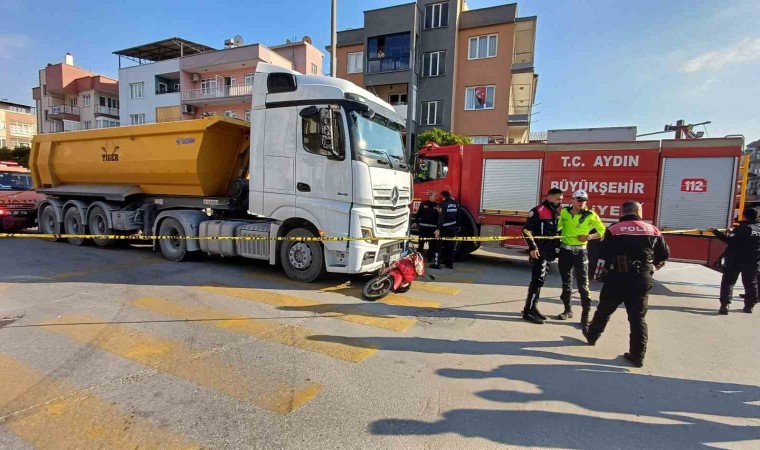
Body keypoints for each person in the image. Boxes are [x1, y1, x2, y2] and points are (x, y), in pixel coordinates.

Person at [583, 201, 670, 368]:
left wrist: (597, 275)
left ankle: (592, 336)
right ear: (638, 211)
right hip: (641, 278)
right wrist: (653, 265)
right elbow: (664, 254)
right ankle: (638, 356)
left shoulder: (614, 229)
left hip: (617, 277)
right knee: (638, 318)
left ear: (622, 212)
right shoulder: (652, 229)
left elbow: (602, 255)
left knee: (604, 309)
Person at [557, 189, 607, 327]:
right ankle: (567, 310)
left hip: (580, 252)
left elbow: (603, 231)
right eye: (579, 200)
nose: (582, 203)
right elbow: (558, 227)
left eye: (584, 201)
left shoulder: (590, 215)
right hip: (565, 251)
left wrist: (589, 237)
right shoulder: (564, 212)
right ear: (572, 200)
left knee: (583, 285)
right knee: (566, 283)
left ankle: (585, 316)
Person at [521, 188, 564, 324]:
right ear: (550, 198)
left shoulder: (555, 211)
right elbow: (526, 230)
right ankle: (528, 311)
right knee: (537, 281)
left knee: (541, 281)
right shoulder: (538, 211)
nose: (560, 202)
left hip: (548, 252)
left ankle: (533, 307)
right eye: (558, 199)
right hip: (539, 251)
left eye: (561, 199)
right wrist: (532, 247)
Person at [711, 207, 760, 314]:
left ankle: (725, 305)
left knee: (728, 282)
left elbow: (729, 240)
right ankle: (749, 306)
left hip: (735, 260)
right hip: (753, 260)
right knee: (751, 283)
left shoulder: (741, 228)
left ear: (744, 216)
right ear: (757, 216)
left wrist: (715, 232)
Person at [431, 190, 458, 270]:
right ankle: (450, 264)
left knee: (438, 246)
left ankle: (437, 264)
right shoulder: (455, 203)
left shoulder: (442, 204)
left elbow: (441, 218)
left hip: (444, 228)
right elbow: (459, 215)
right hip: (453, 227)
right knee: (450, 246)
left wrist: (438, 229)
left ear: (443, 196)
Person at [414, 190, 439, 262]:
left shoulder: (437, 205)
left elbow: (439, 217)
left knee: (432, 245)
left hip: (432, 229)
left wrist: (438, 228)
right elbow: (418, 214)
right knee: (421, 244)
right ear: (430, 196)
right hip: (423, 228)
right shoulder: (423, 203)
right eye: (434, 195)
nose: (436, 197)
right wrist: (416, 222)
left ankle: (430, 258)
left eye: (436, 195)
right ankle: (418, 259)